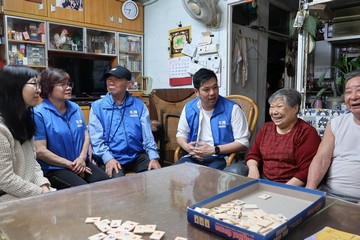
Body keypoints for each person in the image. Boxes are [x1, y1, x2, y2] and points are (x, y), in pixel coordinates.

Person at [34, 68, 108, 190]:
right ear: (48, 88)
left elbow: (86, 135)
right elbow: (40, 151)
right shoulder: (39, 114)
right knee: (82, 190)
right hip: (55, 168)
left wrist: (81, 158)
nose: (68, 88)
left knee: (105, 183)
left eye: (68, 84)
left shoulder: (75, 108)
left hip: (80, 162)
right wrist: (70, 165)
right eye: (62, 85)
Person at [229, 88, 321, 186]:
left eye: (279, 106)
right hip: (263, 178)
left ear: (295, 108)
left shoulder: (306, 132)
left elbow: (306, 170)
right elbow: (253, 154)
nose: (274, 112)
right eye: (272, 107)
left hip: (290, 183)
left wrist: (283, 190)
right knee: (232, 172)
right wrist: (253, 169)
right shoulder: (266, 128)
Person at [88, 66, 161, 178]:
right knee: (119, 184)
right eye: (109, 80)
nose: (111, 83)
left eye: (116, 79)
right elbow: (96, 140)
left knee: (155, 175)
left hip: (136, 156)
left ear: (128, 84)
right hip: (112, 156)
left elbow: (148, 136)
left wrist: (153, 157)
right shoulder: (97, 107)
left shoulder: (139, 105)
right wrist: (108, 158)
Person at [176, 68, 250, 170]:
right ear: (196, 92)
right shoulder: (189, 108)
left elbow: (243, 143)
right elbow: (181, 134)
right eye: (206, 89)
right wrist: (188, 148)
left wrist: (213, 150)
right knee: (177, 173)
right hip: (194, 156)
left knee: (206, 177)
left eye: (215, 87)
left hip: (220, 156)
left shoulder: (232, 109)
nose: (212, 93)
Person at [306, 70, 360, 204]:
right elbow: (321, 158)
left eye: (359, 90)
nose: (353, 97)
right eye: (348, 92)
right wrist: (309, 190)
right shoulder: (336, 124)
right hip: (329, 194)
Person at [0, 65, 51, 202]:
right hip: (7, 198)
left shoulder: (24, 120)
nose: (39, 90)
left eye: (39, 84)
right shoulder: (1, 128)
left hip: (27, 192)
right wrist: (41, 193)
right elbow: (5, 180)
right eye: (34, 84)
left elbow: (32, 163)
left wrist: (44, 185)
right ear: (14, 87)